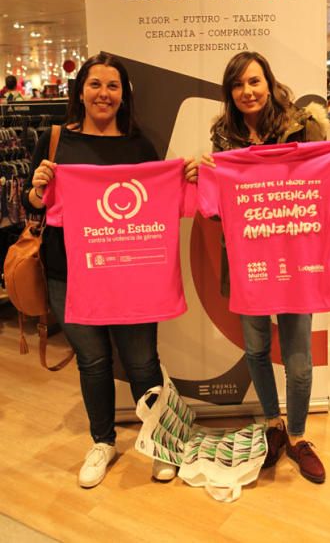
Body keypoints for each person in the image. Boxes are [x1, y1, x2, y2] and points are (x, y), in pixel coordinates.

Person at [22, 51, 198, 489]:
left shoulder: (140, 145)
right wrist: (38, 191)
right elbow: (33, 204)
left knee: (141, 361)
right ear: (80, 90)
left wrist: (187, 177)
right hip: (69, 270)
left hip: (133, 271)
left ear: (124, 95)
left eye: (113, 86)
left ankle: (159, 441)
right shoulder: (56, 139)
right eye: (95, 84)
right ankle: (102, 441)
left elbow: (159, 200)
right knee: (94, 361)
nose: (104, 94)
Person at [202, 51, 330, 485]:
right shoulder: (224, 138)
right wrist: (209, 175)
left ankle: (300, 436)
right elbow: (218, 212)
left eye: (254, 81)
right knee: (255, 348)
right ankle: (273, 425)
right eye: (238, 85)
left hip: (298, 258)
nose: (247, 92)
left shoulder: (304, 126)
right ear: (229, 93)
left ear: (269, 81)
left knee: (300, 360)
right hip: (248, 260)